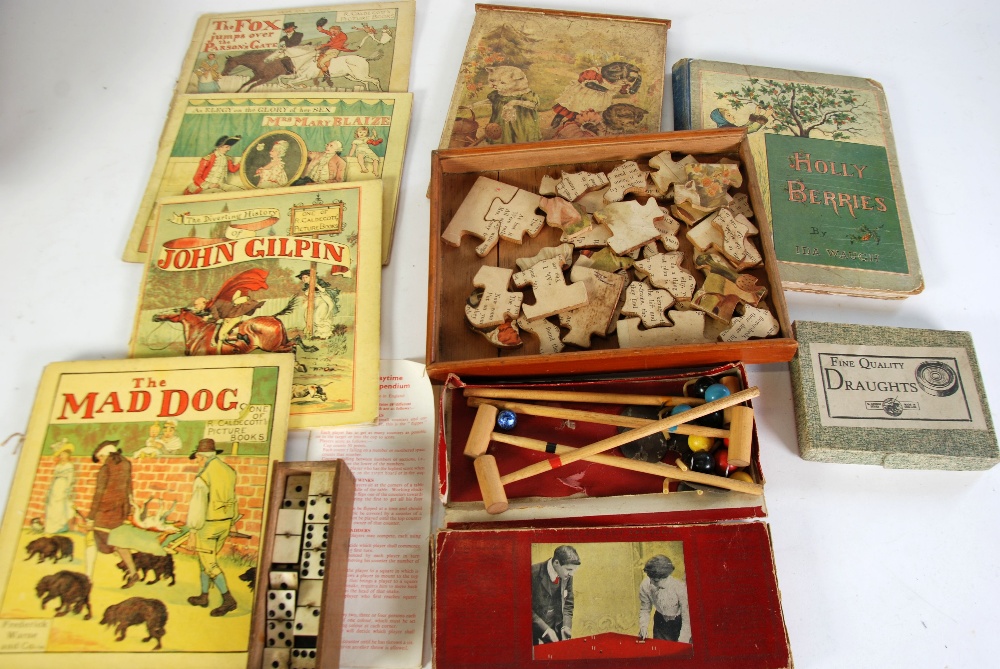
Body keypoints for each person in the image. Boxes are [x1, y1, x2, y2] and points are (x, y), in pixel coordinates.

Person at [186, 438, 239, 617]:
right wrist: (230, 521)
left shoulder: (203, 477)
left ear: (202, 457)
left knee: (210, 564)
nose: (197, 462)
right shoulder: (229, 472)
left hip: (208, 526)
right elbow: (234, 499)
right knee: (205, 560)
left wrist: (193, 532)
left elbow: (197, 506)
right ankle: (204, 595)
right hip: (224, 522)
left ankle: (228, 599)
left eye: (198, 458)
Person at [86, 440, 139, 587]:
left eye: (101, 458)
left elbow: (98, 494)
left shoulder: (105, 469)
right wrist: (131, 503)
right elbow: (129, 486)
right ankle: (133, 572)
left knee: (91, 540)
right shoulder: (126, 463)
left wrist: (90, 518)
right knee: (118, 542)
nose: (101, 461)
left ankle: (88, 576)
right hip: (119, 512)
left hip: (104, 513)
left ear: (105, 455)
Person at [478, 65, 540, 145]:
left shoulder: (524, 94)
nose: (495, 85)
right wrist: (474, 105)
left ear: (517, 81)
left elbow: (534, 105)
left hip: (520, 122)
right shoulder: (499, 93)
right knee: (502, 135)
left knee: (521, 137)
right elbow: (494, 101)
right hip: (501, 123)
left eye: (502, 82)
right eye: (492, 80)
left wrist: (514, 102)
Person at [531, 545, 580, 644]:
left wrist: (566, 626)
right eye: (569, 569)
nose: (572, 574)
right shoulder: (532, 572)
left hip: (556, 632)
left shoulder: (567, 576)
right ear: (556, 563)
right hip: (533, 632)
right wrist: (545, 629)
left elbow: (568, 603)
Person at [637, 554, 691, 643]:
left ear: (666, 577)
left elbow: (687, 619)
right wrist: (643, 626)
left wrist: (683, 641)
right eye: (650, 579)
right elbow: (645, 608)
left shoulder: (679, 588)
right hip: (660, 623)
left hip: (680, 624)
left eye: (656, 581)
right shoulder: (645, 585)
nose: (651, 583)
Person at [296, 269, 340, 339]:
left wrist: (316, 285)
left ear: (311, 277)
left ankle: (325, 335)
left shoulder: (318, 282)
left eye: (306, 277)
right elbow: (307, 294)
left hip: (322, 302)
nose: (304, 279)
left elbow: (323, 290)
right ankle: (314, 334)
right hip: (313, 303)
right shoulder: (307, 285)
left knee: (317, 318)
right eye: (302, 278)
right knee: (307, 316)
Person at [44, 440, 76, 534]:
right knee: (52, 506)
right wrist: (51, 489)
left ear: (68, 455)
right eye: (61, 454)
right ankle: (51, 527)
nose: (62, 456)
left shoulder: (69, 466)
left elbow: (70, 479)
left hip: (63, 487)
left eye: (64, 454)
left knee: (61, 507)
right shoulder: (58, 466)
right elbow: (54, 478)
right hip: (56, 487)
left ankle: (60, 526)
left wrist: (67, 489)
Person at [315, 19, 355, 85]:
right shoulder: (334, 33)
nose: (332, 33)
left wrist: (321, 46)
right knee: (319, 59)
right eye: (331, 31)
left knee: (322, 61)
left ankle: (327, 76)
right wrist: (321, 29)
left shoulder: (343, 36)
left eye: (333, 31)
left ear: (337, 30)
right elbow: (327, 32)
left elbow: (332, 43)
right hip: (329, 50)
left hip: (334, 51)